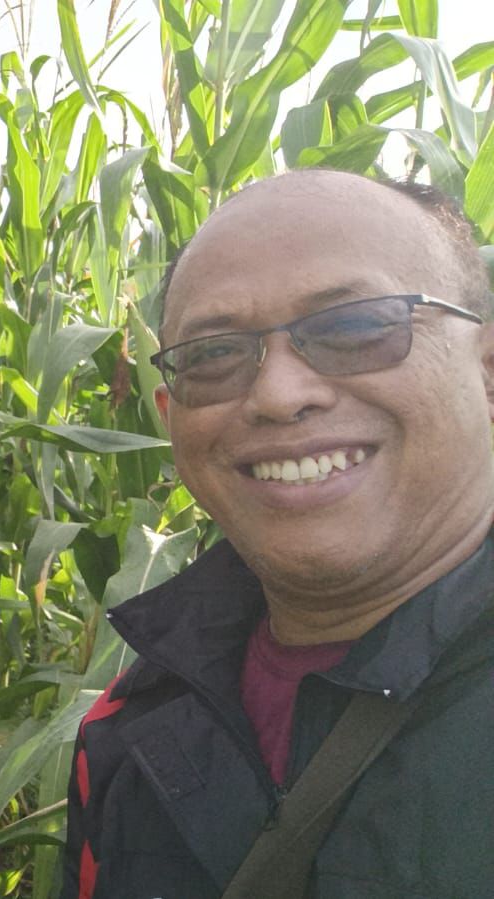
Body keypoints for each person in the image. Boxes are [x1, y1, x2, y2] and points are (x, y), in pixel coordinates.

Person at [61, 169, 494, 898]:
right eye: (214, 355)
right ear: (169, 415)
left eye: (356, 326)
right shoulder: (125, 725)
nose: (278, 394)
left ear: (486, 369)